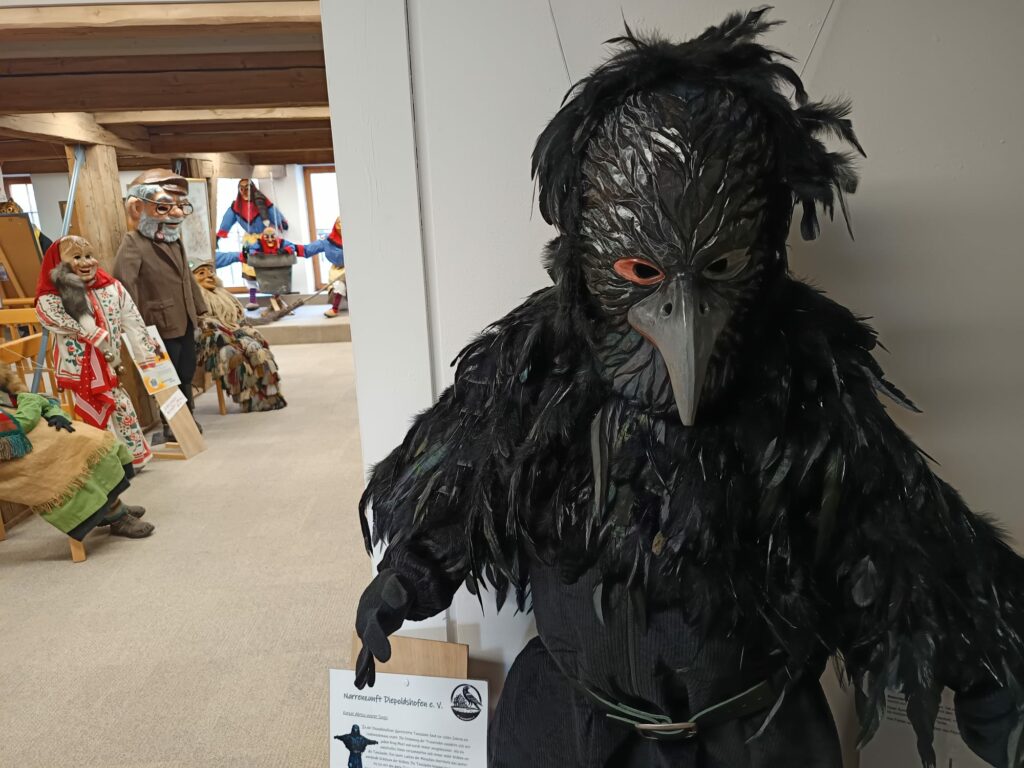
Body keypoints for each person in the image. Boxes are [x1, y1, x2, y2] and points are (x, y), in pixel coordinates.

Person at [352, 11, 1024, 768]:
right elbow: (473, 480)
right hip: (571, 731)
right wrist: (410, 575)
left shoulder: (804, 379)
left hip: (755, 739)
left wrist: (986, 672)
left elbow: (892, 532)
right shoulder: (536, 366)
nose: (687, 326)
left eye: (721, 272)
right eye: (643, 273)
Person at [35, 236, 154, 468]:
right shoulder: (53, 294)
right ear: (60, 261)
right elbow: (48, 315)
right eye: (76, 257)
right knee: (95, 415)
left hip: (110, 365)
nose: (86, 262)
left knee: (121, 406)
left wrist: (147, 356)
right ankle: (108, 465)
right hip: (80, 370)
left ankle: (132, 458)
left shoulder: (111, 287)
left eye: (89, 256)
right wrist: (87, 331)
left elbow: (133, 320)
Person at [0, 366, 153, 539]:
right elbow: (18, 424)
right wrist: (32, 402)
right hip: (13, 456)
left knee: (91, 439)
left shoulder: (6, 382)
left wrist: (55, 413)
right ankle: (116, 516)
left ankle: (110, 506)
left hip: (35, 433)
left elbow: (38, 400)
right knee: (72, 454)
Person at [114, 169, 208, 441]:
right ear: (137, 208)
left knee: (186, 370)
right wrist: (134, 326)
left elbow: (186, 277)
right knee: (168, 375)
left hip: (184, 317)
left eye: (180, 206)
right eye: (165, 207)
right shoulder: (133, 243)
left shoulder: (174, 241)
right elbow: (124, 285)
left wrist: (199, 309)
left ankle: (187, 415)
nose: (176, 213)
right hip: (158, 323)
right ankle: (172, 423)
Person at [190, 257, 286, 412]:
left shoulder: (225, 296)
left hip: (235, 334)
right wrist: (219, 332)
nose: (209, 275)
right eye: (201, 273)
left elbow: (239, 319)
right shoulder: (192, 299)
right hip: (214, 341)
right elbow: (199, 325)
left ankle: (269, 395)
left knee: (258, 351)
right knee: (233, 356)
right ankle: (249, 399)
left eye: (210, 272)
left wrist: (245, 331)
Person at [215, 179, 290, 310]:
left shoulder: (263, 203)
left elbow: (273, 212)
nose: (244, 191)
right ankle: (253, 299)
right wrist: (219, 235)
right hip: (249, 241)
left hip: (266, 239)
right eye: (241, 188)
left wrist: (281, 222)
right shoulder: (236, 207)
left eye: (247, 188)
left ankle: (277, 298)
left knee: (270, 269)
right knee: (249, 270)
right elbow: (227, 221)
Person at [239, 227, 304, 316]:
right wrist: (256, 253)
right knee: (252, 281)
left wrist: (285, 250)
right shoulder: (259, 243)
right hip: (264, 269)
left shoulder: (281, 242)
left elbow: (292, 246)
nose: (270, 239)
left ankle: (278, 302)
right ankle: (257, 301)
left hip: (280, 269)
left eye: (272, 236)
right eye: (267, 237)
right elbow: (251, 249)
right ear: (263, 236)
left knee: (279, 284)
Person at [303, 217, 346, 318]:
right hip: (339, 270)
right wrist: (290, 248)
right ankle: (335, 308)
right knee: (339, 285)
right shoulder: (328, 241)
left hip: (357, 268)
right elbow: (309, 249)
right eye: (339, 223)